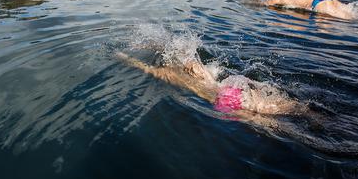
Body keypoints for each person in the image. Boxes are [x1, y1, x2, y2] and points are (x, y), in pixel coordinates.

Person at [116, 52, 302, 120]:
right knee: (287, 108)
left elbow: (147, 69)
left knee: (267, 121)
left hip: (225, 99)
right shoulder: (203, 70)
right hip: (234, 89)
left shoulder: (170, 74)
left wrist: (126, 59)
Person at [251, 0, 358, 20]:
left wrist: (254, 2)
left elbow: (267, 2)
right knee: (351, 13)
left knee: (347, 21)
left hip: (317, 4)